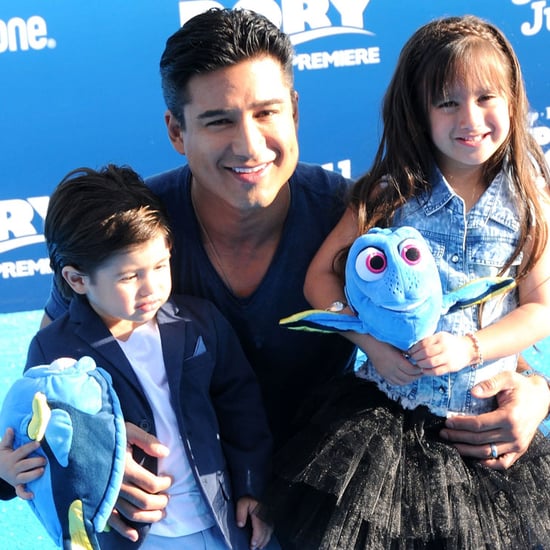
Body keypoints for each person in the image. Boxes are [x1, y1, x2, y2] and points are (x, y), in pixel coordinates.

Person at [38, 7, 550, 542]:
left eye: (266, 112)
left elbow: (498, 304)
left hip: (328, 495)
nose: (250, 145)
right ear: (175, 131)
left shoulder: (358, 213)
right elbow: (50, 379)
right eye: (218, 120)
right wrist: (47, 460)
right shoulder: (127, 235)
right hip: (183, 512)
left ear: (295, 113)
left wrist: (535, 391)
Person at [258, 15, 550, 548]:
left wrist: (470, 347)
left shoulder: (531, 202)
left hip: (482, 425)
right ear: (419, 111)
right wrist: (369, 343)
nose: (471, 118)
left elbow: (538, 309)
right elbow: (320, 280)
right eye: (447, 102)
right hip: (388, 422)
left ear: (512, 99)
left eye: (487, 97)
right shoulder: (390, 194)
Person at [3, 164, 274, 550]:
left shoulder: (200, 322)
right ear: (77, 280)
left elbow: (240, 405)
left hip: (219, 522)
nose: (152, 287)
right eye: (129, 277)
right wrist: (7, 472)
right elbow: (35, 431)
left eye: (161, 266)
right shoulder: (53, 350)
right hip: (131, 535)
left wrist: (252, 484)